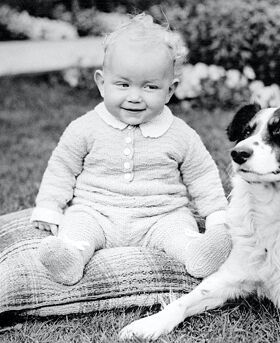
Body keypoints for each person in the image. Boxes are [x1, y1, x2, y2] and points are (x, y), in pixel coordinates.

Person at [31, 13, 231, 285]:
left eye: (150, 87)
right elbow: (61, 169)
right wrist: (48, 207)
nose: (135, 97)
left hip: (159, 215)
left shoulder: (180, 134)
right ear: (102, 84)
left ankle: (198, 252)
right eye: (123, 85)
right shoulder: (85, 128)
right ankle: (70, 256)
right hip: (97, 211)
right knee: (77, 228)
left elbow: (203, 175)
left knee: (179, 231)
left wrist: (217, 215)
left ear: (170, 91)